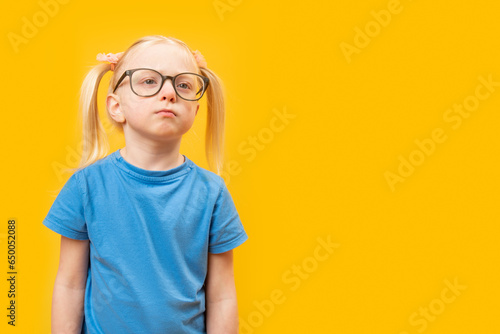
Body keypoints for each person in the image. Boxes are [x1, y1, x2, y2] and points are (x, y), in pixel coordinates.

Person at [43, 35, 248, 334]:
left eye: (184, 85)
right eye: (149, 81)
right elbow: (69, 284)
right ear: (116, 106)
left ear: (195, 110)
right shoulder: (86, 186)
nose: (169, 93)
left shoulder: (212, 193)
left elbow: (223, 296)